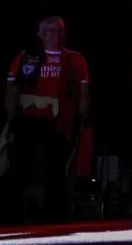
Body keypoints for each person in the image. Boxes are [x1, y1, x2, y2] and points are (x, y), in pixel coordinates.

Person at [3, 16, 89, 221]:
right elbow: (11, 89)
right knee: (21, 169)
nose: (54, 35)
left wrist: (81, 121)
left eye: (58, 30)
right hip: (29, 120)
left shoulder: (75, 59)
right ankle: (12, 216)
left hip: (60, 122)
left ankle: (56, 217)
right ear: (40, 34)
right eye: (49, 30)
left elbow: (84, 92)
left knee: (56, 170)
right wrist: (10, 120)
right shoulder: (27, 57)